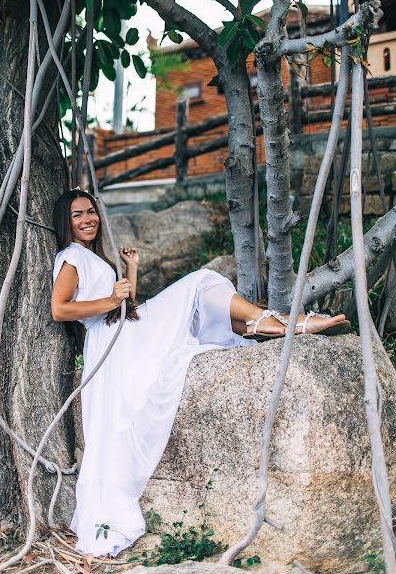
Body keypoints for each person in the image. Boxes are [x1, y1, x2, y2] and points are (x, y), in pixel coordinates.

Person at [51, 189, 348, 558]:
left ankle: (272, 323)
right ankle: (279, 322)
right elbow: (60, 308)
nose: (87, 219)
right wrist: (112, 298)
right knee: (201, 283)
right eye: (78, 215)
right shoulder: (71, 257)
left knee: (202, 297)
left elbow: (126, 306)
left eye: (91, 212)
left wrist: (130, 271)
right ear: (66, 221)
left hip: (124, 331)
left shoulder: (92, 256)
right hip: (112, 342)